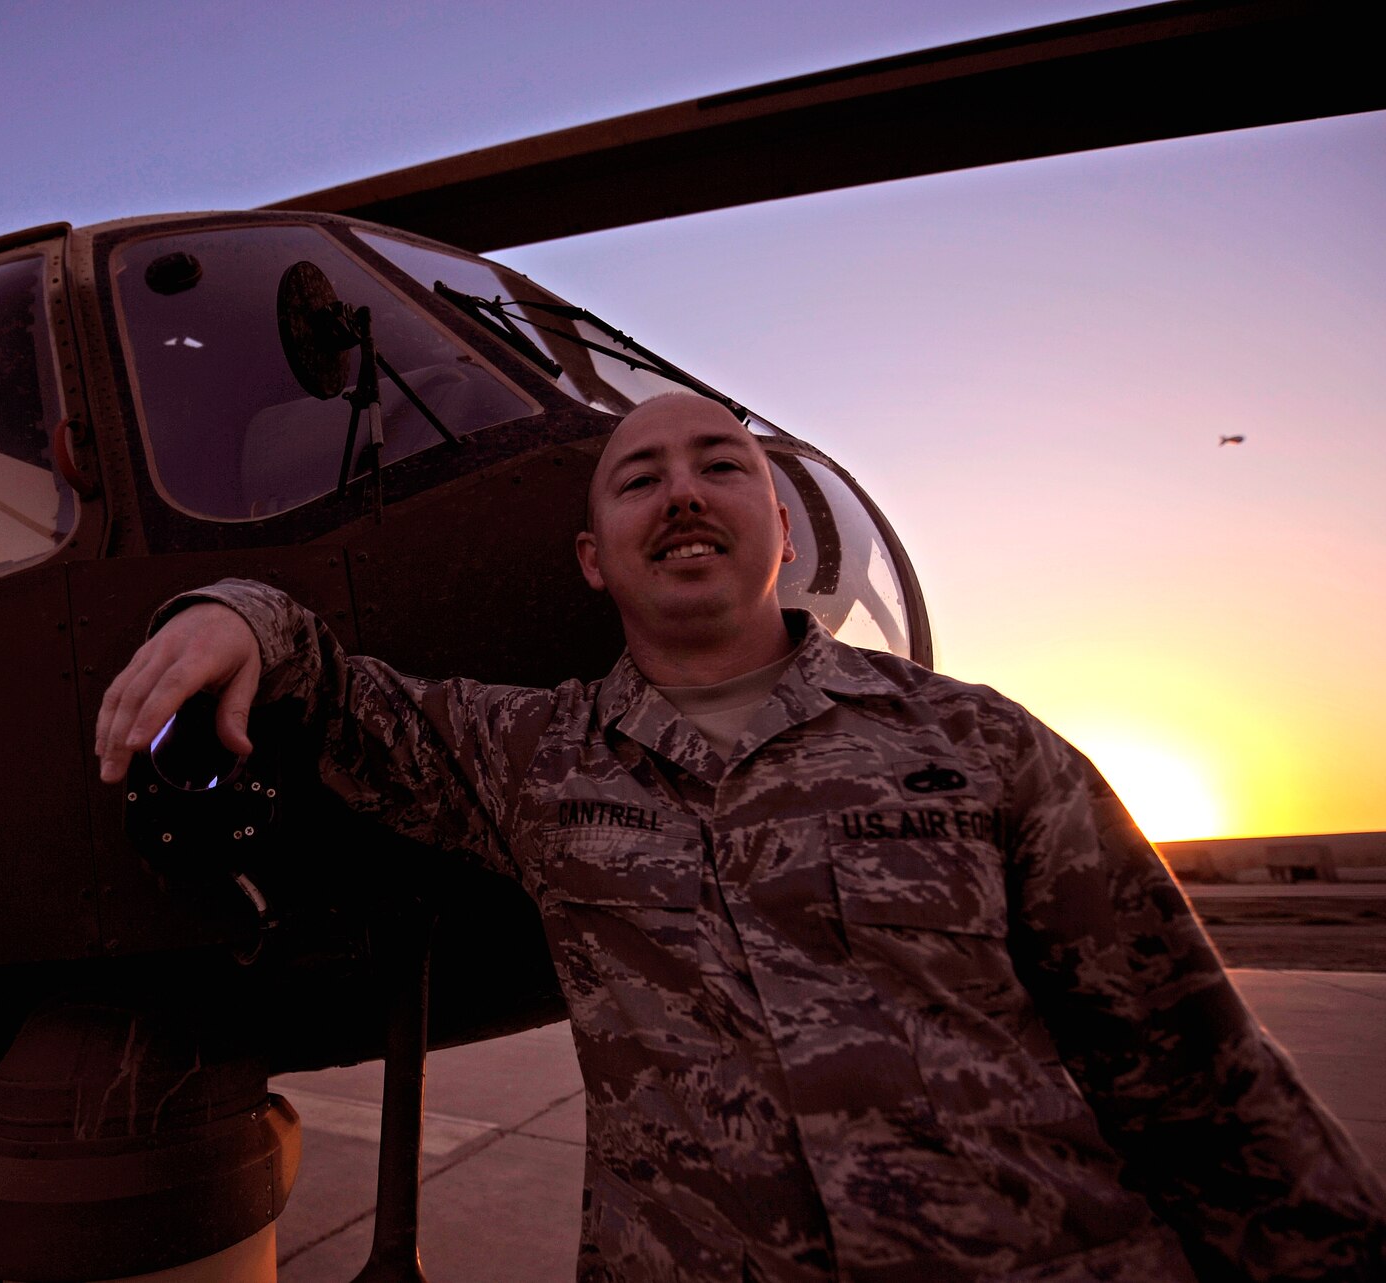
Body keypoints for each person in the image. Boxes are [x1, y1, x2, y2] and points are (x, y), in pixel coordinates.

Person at [95, 394, 1385, 1281]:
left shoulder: (984, 744)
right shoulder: (536, 758)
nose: (684, 496)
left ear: (778, 528)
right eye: (639, 479)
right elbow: (341, 688)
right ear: (594, 559)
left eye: (723, 467)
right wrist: (237, 615)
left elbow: (1198, 1072)